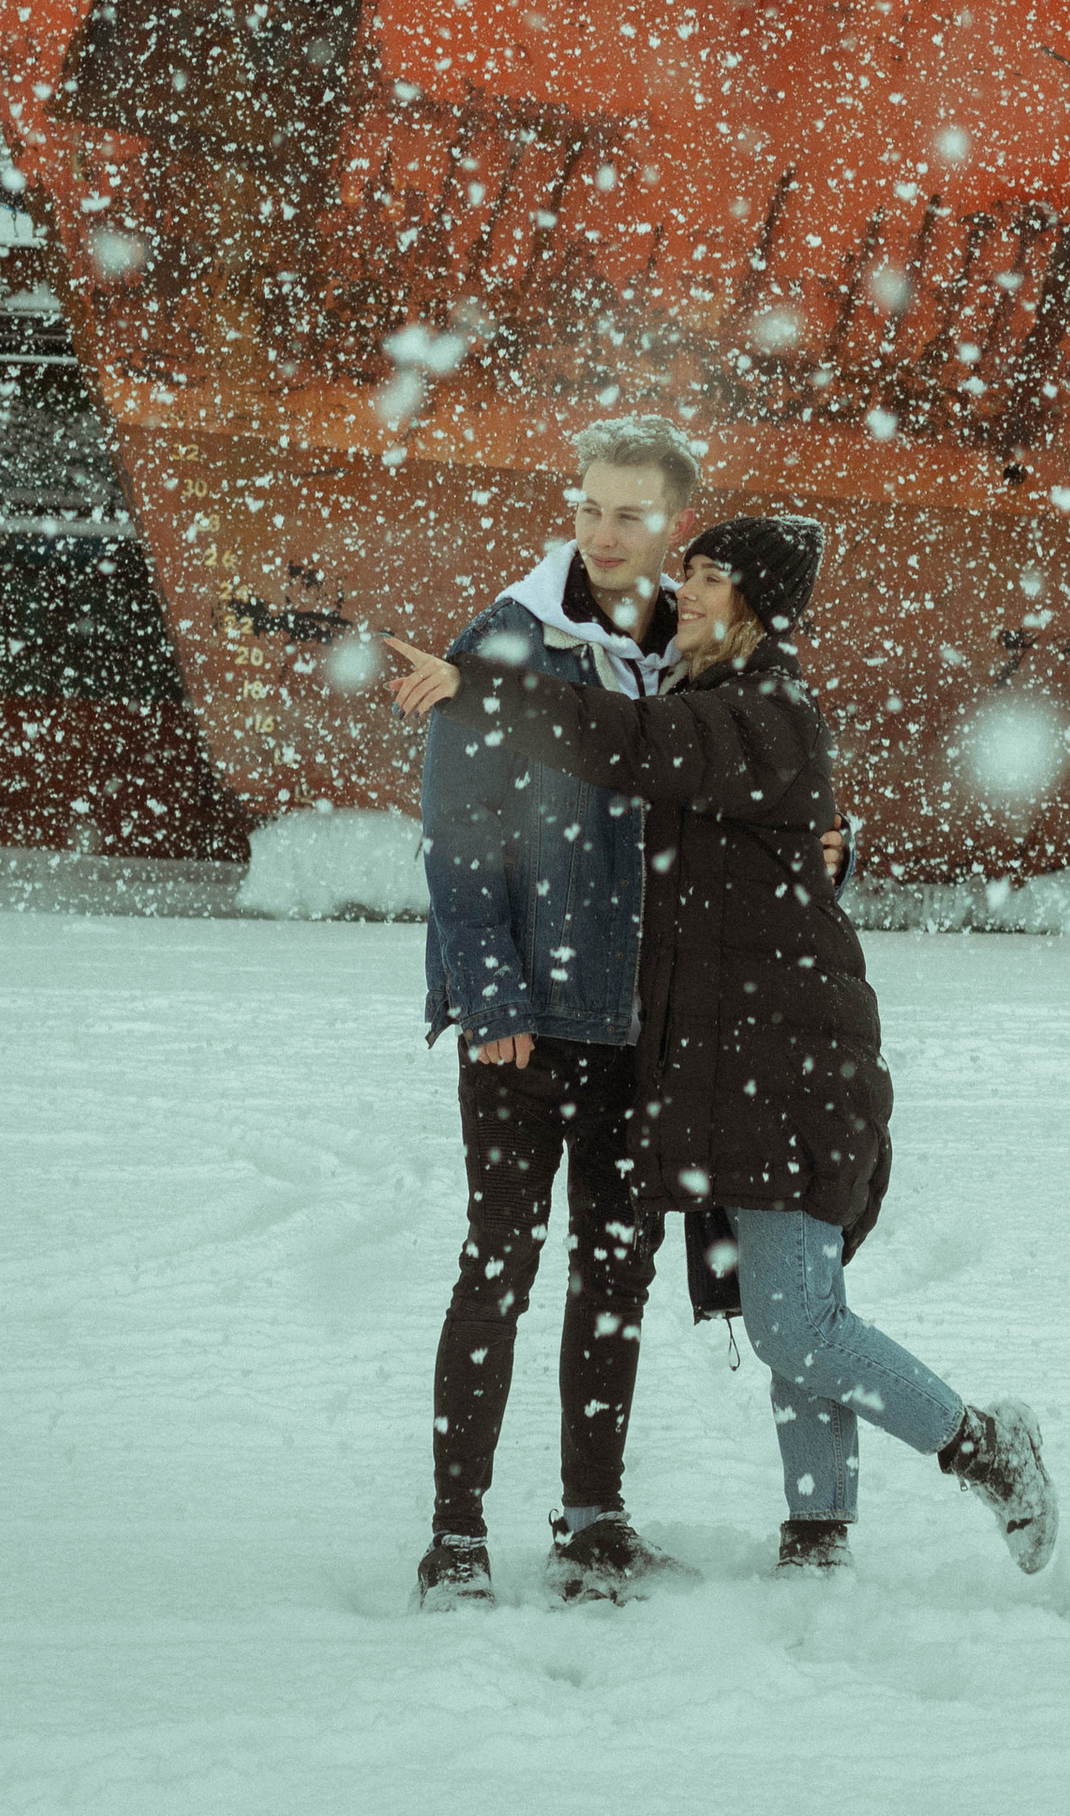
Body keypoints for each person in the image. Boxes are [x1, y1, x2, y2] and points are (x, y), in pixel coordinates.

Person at [396, 512, 1057, 1579]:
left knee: (795, 1323)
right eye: (690, 572)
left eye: (706, 577)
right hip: (730, 1060)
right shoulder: (719, 707)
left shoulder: (756, 712)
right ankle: (818, 1538)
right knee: (788, 1309)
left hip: (790, 1062)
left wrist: (483, 685)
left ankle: (981, 1444)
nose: (683, 591)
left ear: (754, 606)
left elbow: (627, 747)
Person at [411, 417, 701, 1612]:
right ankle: (456, 1539)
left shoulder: (696, 652)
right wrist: (487, 993)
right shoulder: (508, 642)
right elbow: (456, 835)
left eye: (630, 513)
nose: (603, 532)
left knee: (616, 1275)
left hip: (643, 1028)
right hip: (525, 1025)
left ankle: (591, 1526)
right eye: (588, 506)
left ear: (673, 522)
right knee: (499, 1269)